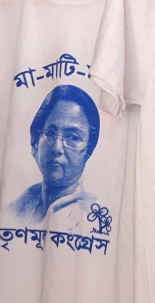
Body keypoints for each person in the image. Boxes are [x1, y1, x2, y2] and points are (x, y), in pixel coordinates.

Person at [8, 84, 101, 231]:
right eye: (50, 133)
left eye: (73, 137)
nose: (57, 148)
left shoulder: (95, 217)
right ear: (35, 142)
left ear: (88, 151)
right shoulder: (16, 209)